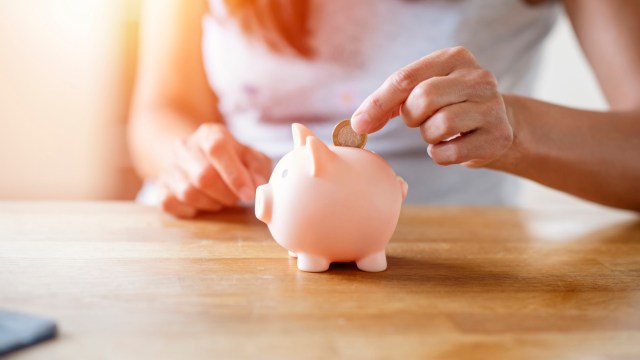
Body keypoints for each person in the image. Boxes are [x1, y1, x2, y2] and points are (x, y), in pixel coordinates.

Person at [129, 0, 640, 218]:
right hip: (223, 237)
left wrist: (517, 128)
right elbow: (160, 110)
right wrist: (187, 159)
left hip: (452, 266)